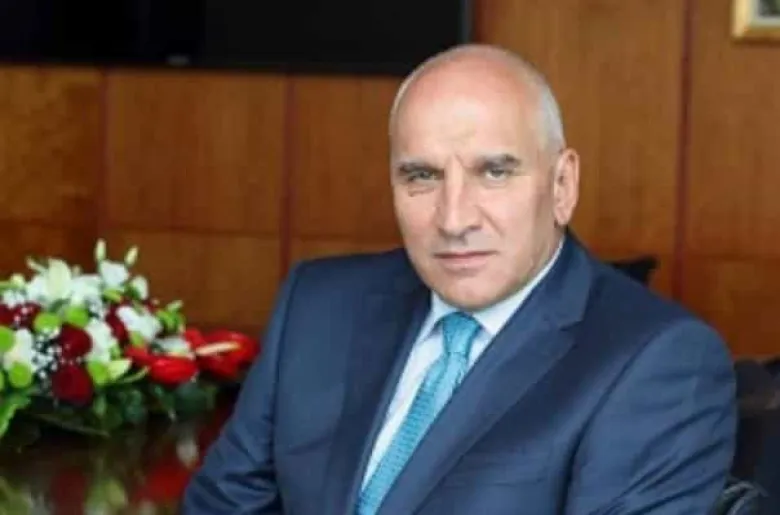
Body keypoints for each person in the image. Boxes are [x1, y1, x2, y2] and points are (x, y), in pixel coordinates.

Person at [181, 44, 737, 514]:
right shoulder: (318, 307)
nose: (453, 219)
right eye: (422, 176)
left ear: (562, 185)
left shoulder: (658, 362)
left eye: (494, 172)